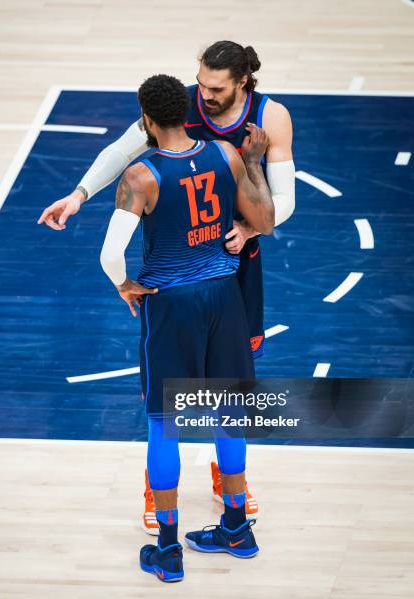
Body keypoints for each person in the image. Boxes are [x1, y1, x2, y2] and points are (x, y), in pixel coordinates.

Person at [39, 40, 295, 532]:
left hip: (224, 266)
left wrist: (248, 229)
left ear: (242, 82)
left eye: (215, 87)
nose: (204, 93)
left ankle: (201, 498)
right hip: (217, 278)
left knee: (174, 409)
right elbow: (118, 149)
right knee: (225, 399)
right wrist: (79, 193)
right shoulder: (210, 134)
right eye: (198, 83)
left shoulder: (271, 117)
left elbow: (283, 203)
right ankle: (227, 517)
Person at [99, 74, 274, 582]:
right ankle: (237, 529)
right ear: (185, 110)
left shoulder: (141, 176)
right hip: (225, 295)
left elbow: (110, 255)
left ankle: (169, 548)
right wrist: (257, 160)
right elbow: (262, 220)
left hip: (172, 303)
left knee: (164, 422)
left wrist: (125, 284)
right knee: (228, 413)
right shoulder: (225, 154)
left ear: (148, 120)